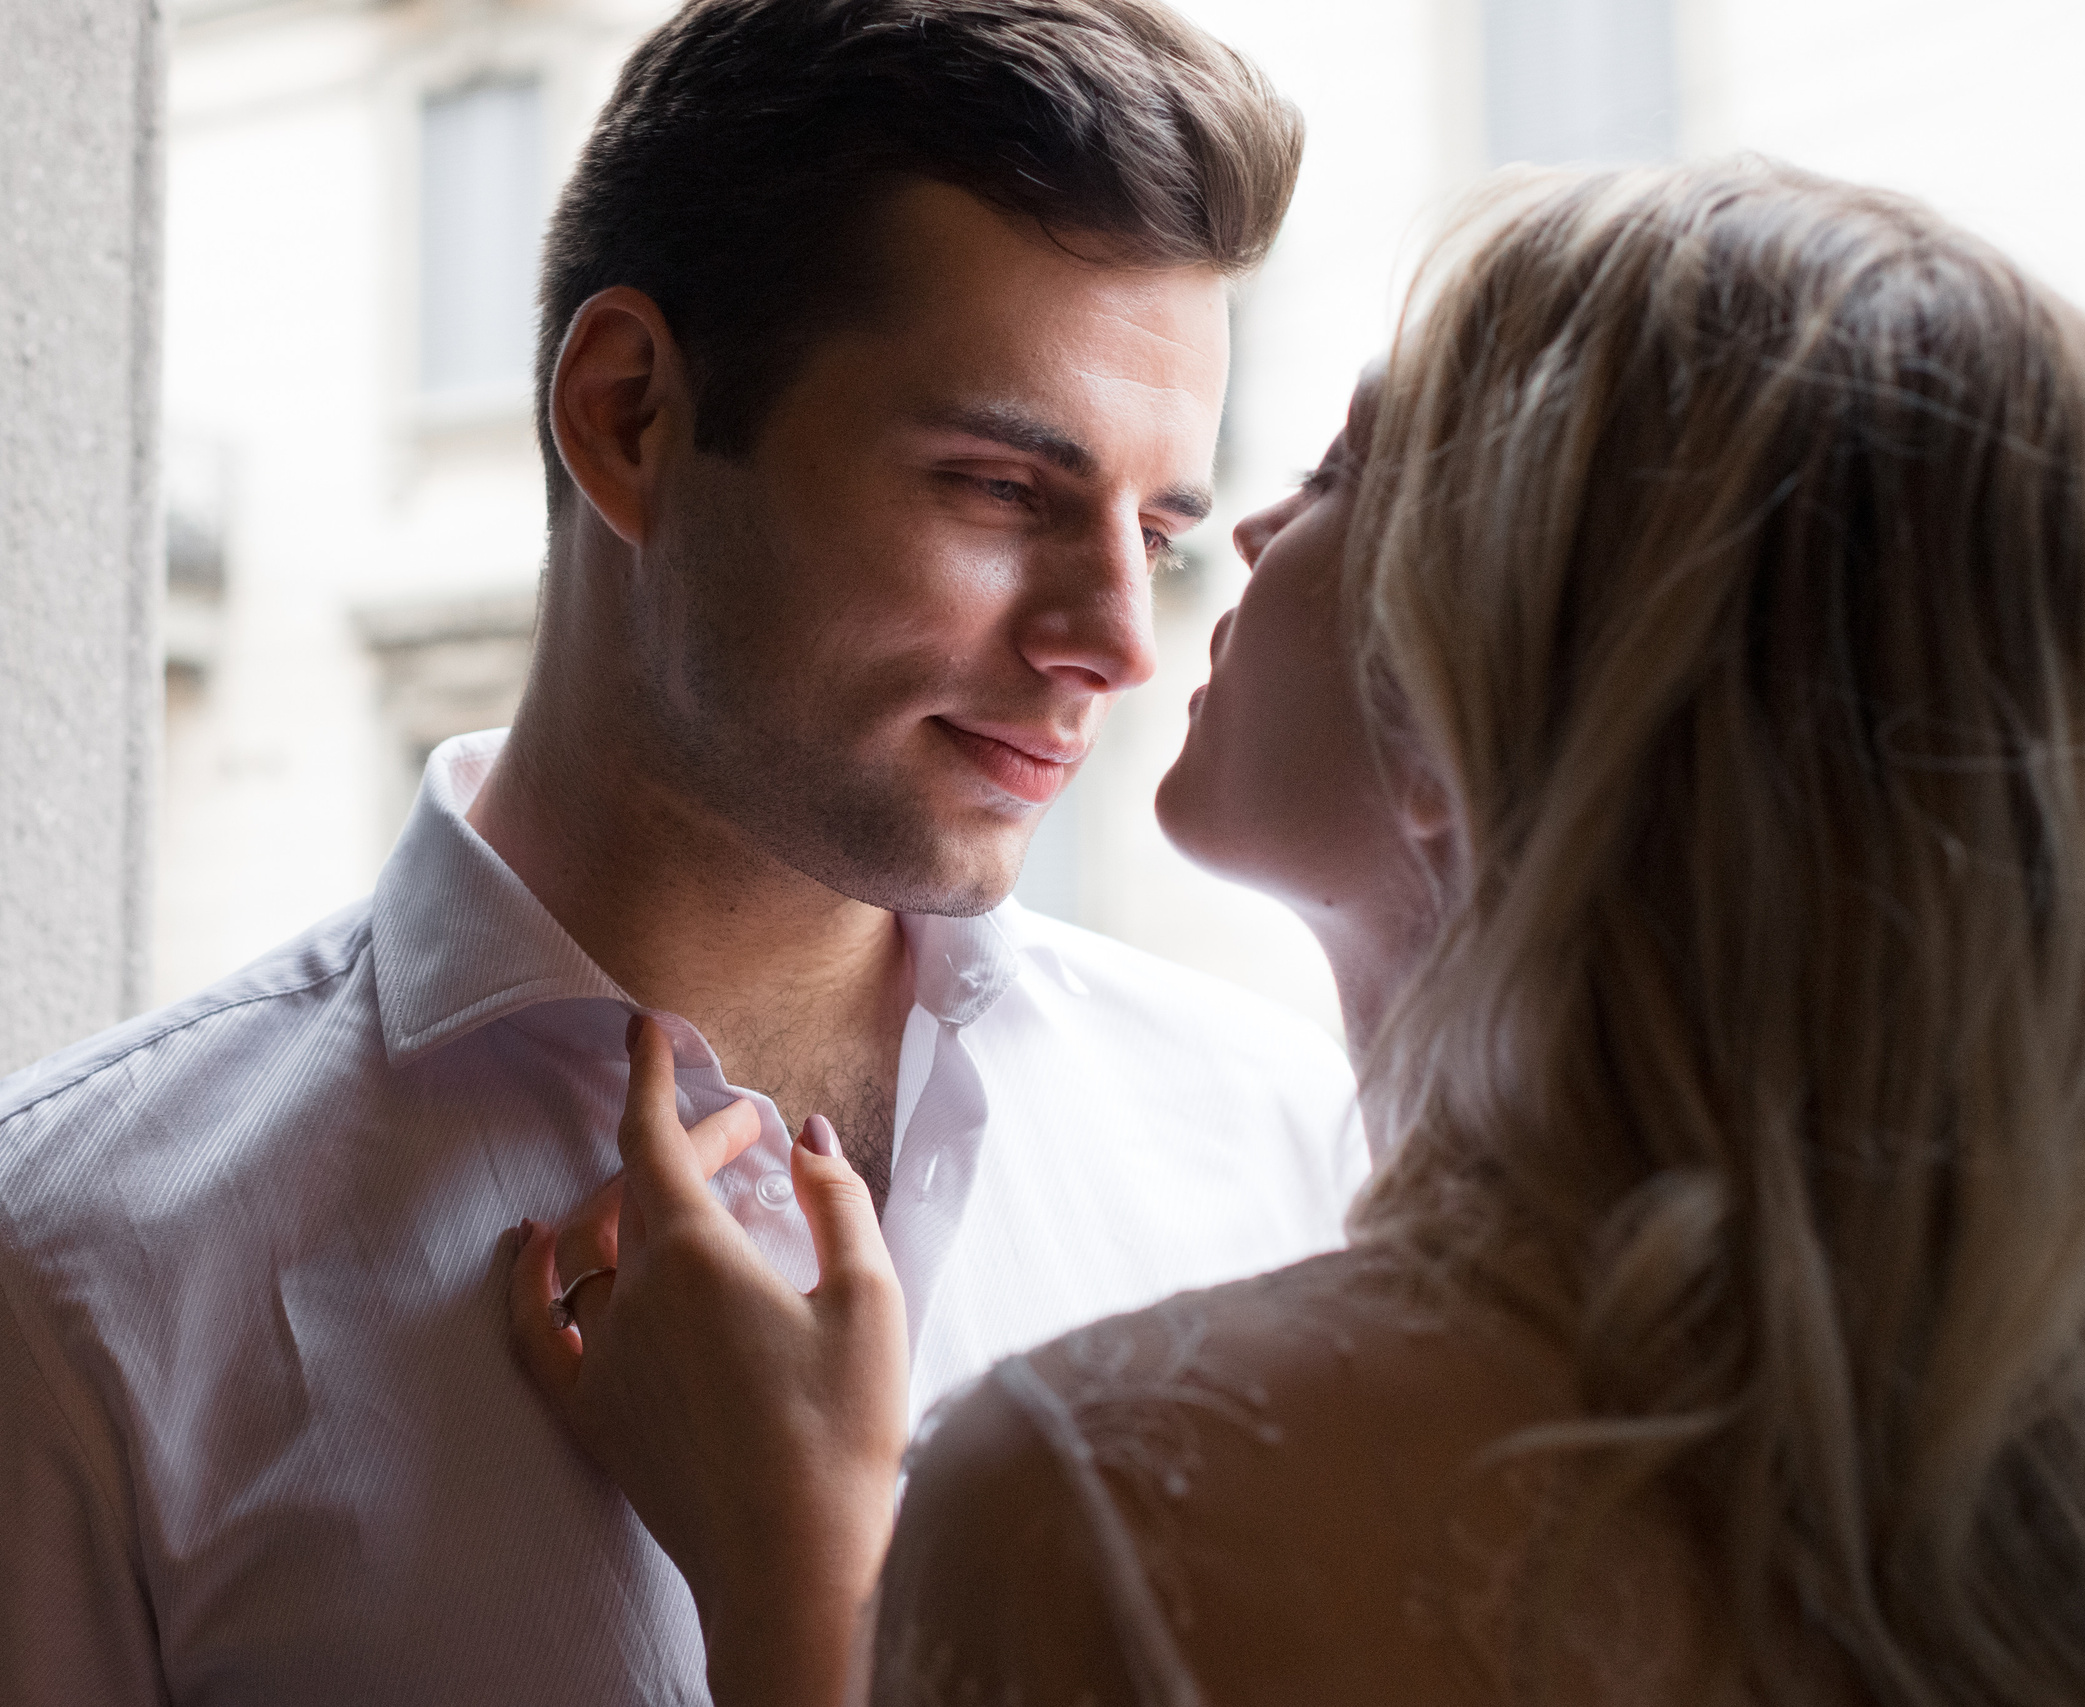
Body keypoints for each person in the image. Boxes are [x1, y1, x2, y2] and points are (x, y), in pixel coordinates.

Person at [513, 158, 2085, 1707]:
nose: (1201, 570)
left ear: (1490, 699)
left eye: (1345, 474)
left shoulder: (1108, 1498)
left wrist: (801, 1599)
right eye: (1004, 488)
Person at [0, 3, 1367, 1702]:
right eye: (1002, 491)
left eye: (1155, 531)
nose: (1117, 641)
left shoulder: (1280, 1153)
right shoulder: (73, 1269)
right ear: (630, 414)